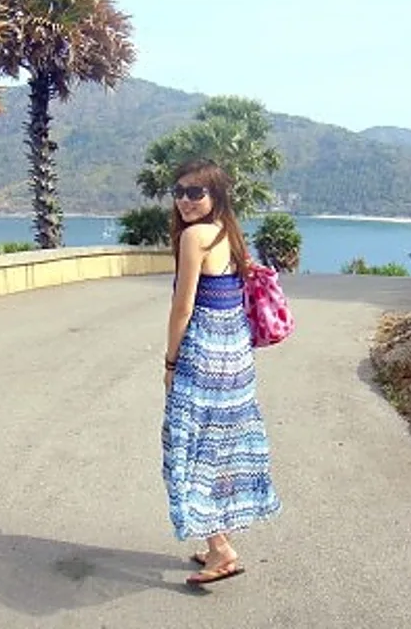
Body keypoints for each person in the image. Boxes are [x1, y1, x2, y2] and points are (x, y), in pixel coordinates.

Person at [161, 158, 281, 585]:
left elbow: (183, 308)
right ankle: (219, 540)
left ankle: (220, 550)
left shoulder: (194, 236)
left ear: (216, 195)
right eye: (179, 192)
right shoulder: (227, 232)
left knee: (191, 450)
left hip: (204, 357)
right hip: (236, 355)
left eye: (196, 192)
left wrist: (170, 362)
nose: (186, 201)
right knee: (222, 447)